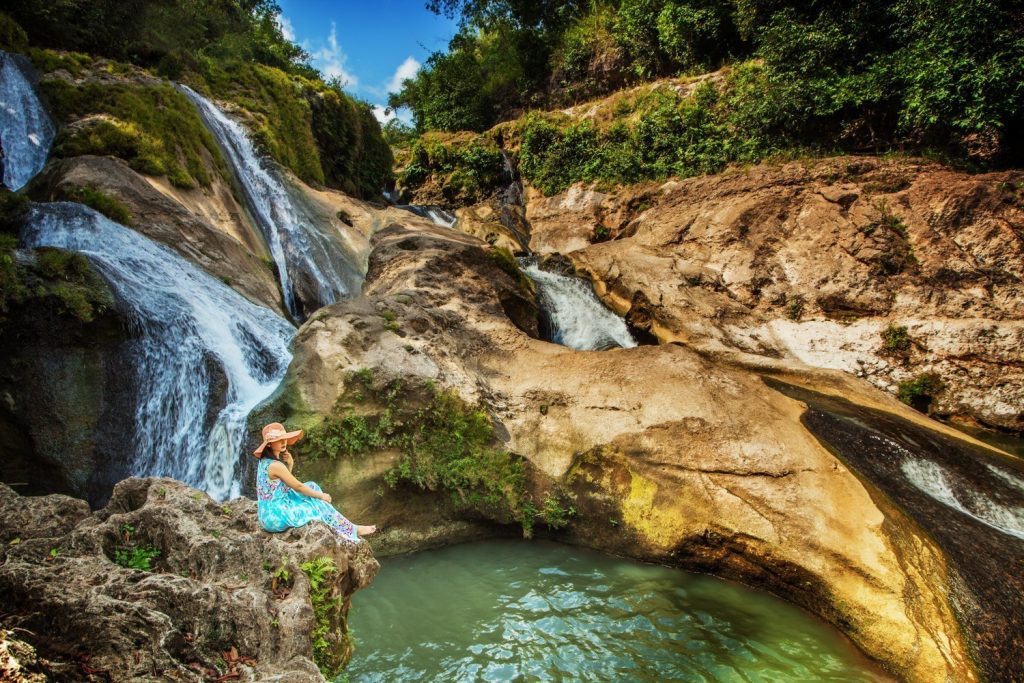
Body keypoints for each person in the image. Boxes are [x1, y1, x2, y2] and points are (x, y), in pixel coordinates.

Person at [253, 422, 376, 542]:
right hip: (275, 517)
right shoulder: (276, 465)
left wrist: (290, 464)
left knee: (312, 486)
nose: (283, 442)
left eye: (284, 438)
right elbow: (297, 486)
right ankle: (352, 529)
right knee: (317, 504)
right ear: (269, 444)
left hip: (267, 512)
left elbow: (282, 486)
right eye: (279, 440)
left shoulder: (264, 461)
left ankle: (348, 527)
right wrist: (321, 496)